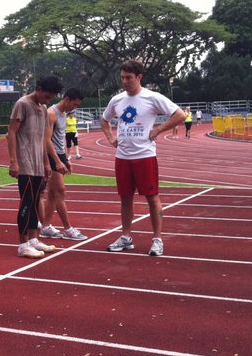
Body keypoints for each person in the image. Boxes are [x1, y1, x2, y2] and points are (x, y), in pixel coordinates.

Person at [100, 59, 186, 257]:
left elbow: (180, 115)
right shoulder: (117, 100)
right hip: (123, 156)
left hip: (145, 155)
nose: (125, 82)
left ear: (139, 77)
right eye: (122, 78)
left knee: (152, 197)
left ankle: (157, 239)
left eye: (129, 78)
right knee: (125, 198)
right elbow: (104, 120)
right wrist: (111, 138)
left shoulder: (152, 97)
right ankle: (126, 237)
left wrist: (159, 129)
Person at [7, 75, 64, 258]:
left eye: (50, 98)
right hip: (25, 163)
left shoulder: (43, 108)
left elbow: (42, 138)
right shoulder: (22, 104)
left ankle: (33, 239)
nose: (47, 100)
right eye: (46, 96)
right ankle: (23, 244)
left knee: (34, 202)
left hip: (38, 163)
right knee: (26, 202)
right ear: (38, 89)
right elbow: (11, 133)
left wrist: (47, 163)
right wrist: (14, 161)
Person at [40, 88, 88, 242]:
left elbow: (59, 138)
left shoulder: (63, 114)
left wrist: (65, 159)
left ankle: (45, 227)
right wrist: (57, 161)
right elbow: (46, 140)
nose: (75, 108)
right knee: (60, 192)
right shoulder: (51, 113)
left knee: (53, 194)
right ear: (67, 99)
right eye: (74, 104)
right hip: (51, 155)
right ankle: (68, 229)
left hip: (59, 155)